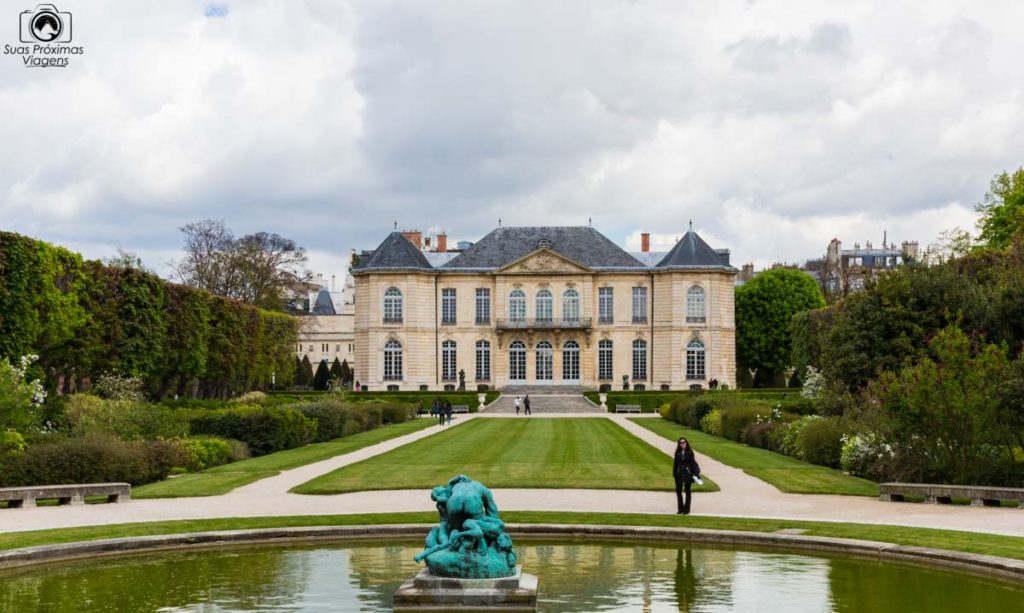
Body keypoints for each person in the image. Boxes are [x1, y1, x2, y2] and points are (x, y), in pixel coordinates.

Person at [673, 437, 701, 515]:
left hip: (688, 473)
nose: (682, 444)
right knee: (678, 491)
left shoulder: (690, 452)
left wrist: (696, 474)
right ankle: (680, 509)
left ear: (686, 443)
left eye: (684, 442)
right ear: (679, 444)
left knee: (687, 491)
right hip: (679, 474)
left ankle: (686, 510)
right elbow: (675, 464)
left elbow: (693, 463)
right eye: (681, 443)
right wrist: (674, 473)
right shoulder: (677, 453)